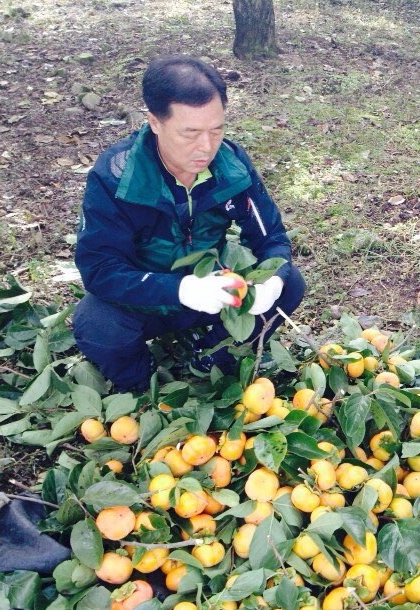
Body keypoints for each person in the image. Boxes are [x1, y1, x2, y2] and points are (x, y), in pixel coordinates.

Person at [73, 55, 305, 392]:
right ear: (155, 122)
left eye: (216, 130)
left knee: (291, 282)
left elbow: (272, 239)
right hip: (146, 298)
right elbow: (99, 268)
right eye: (190, 133)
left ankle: (213, 356)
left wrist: (270, 281)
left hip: (215, 290)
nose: (206, 147)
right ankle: (142, 387)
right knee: (96, 323)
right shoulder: (117, 177)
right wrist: (182, 289)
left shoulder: (232, 166)